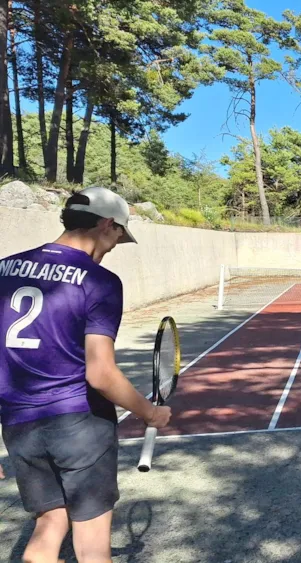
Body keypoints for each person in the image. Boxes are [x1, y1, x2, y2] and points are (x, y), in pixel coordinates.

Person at [0, 186, 171, 563]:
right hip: (79, 424)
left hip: (18, 425)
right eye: (117, 236)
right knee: (92, 545)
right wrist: (149, 413)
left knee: (50, 525)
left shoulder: (4, 268)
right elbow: (100, 374)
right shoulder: (100, 281)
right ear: (107, 224)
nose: (113, 247)